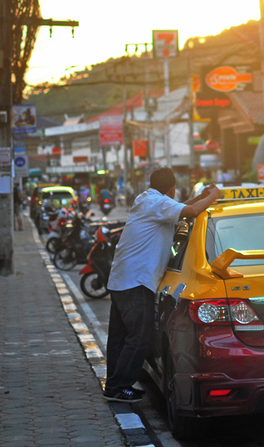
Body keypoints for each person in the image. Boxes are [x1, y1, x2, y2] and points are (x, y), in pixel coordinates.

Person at [103, 167, 221, 403]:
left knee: (120, 338)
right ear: (172, 188)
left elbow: (182, 207)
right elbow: (191, 211)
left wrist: (201, 197)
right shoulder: (157, 203)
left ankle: (114, 385)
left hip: (123, 279)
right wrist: (213, 197)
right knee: (139, 337)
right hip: (136, 281)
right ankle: (119, 387)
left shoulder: (150, 200)